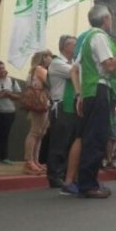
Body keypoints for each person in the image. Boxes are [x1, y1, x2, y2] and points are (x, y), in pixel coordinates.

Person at [72, 4, 116, 198]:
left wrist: (80, 94)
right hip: (99, 89)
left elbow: (76, 68)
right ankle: (88, 185)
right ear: (105, 19)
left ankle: (89, 181)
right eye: (110, 18)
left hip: (93, 90)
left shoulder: (86, 38)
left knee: (94, 137)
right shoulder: (99, 37)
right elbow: (109, 66)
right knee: (96, 138)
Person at [45, 35, 77, 188]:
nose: (76, 47)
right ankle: (54, 174)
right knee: (59, 142)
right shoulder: (57, 63)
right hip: (62, 105)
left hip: (71, 105)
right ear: (65, 46)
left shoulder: (71, 63)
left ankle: (64, 172)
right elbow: (76, 74)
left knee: (68, 142)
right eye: (73, 44)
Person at [23, 50, 52, 175]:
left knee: (40, 132)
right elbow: (50, 82)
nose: (51, 59)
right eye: (49, 56)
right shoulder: (40, 69)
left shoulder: (35, 69)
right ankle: (29, 160)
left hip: (43, 100)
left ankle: (35, 159)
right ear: (43, 58)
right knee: (35, 131)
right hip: (40, 100)